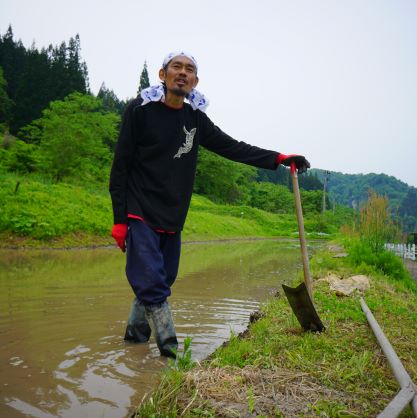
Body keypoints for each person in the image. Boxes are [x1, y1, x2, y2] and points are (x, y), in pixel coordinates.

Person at [109, 51, 310, 358]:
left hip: (172, 215)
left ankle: (135, 341)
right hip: (139, 210)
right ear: (162, 75)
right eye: (176, 67)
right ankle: (172, 356)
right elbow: (120, 166)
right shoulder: (140, 110)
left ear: (195, 81)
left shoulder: (195, 118)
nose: (182, 73)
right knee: (152, 283)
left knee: (162, 280)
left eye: (189, 69)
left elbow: (232, 147)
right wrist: (120, 220)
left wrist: (278, 159)